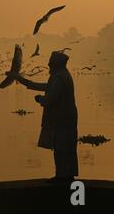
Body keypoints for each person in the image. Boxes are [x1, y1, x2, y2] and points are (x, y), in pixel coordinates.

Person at [15, 51, 78, 183]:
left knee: (62, 149)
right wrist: (22, 80)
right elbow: (46, 87)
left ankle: (62, 177)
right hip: (65, 118)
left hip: (63, 119)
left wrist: (40, 99)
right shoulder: (60, 75)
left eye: (51, 62)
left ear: (56, 64)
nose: (48, 64)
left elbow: (51, 98)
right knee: (64, 148)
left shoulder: (60, 77)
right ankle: (64, 176)